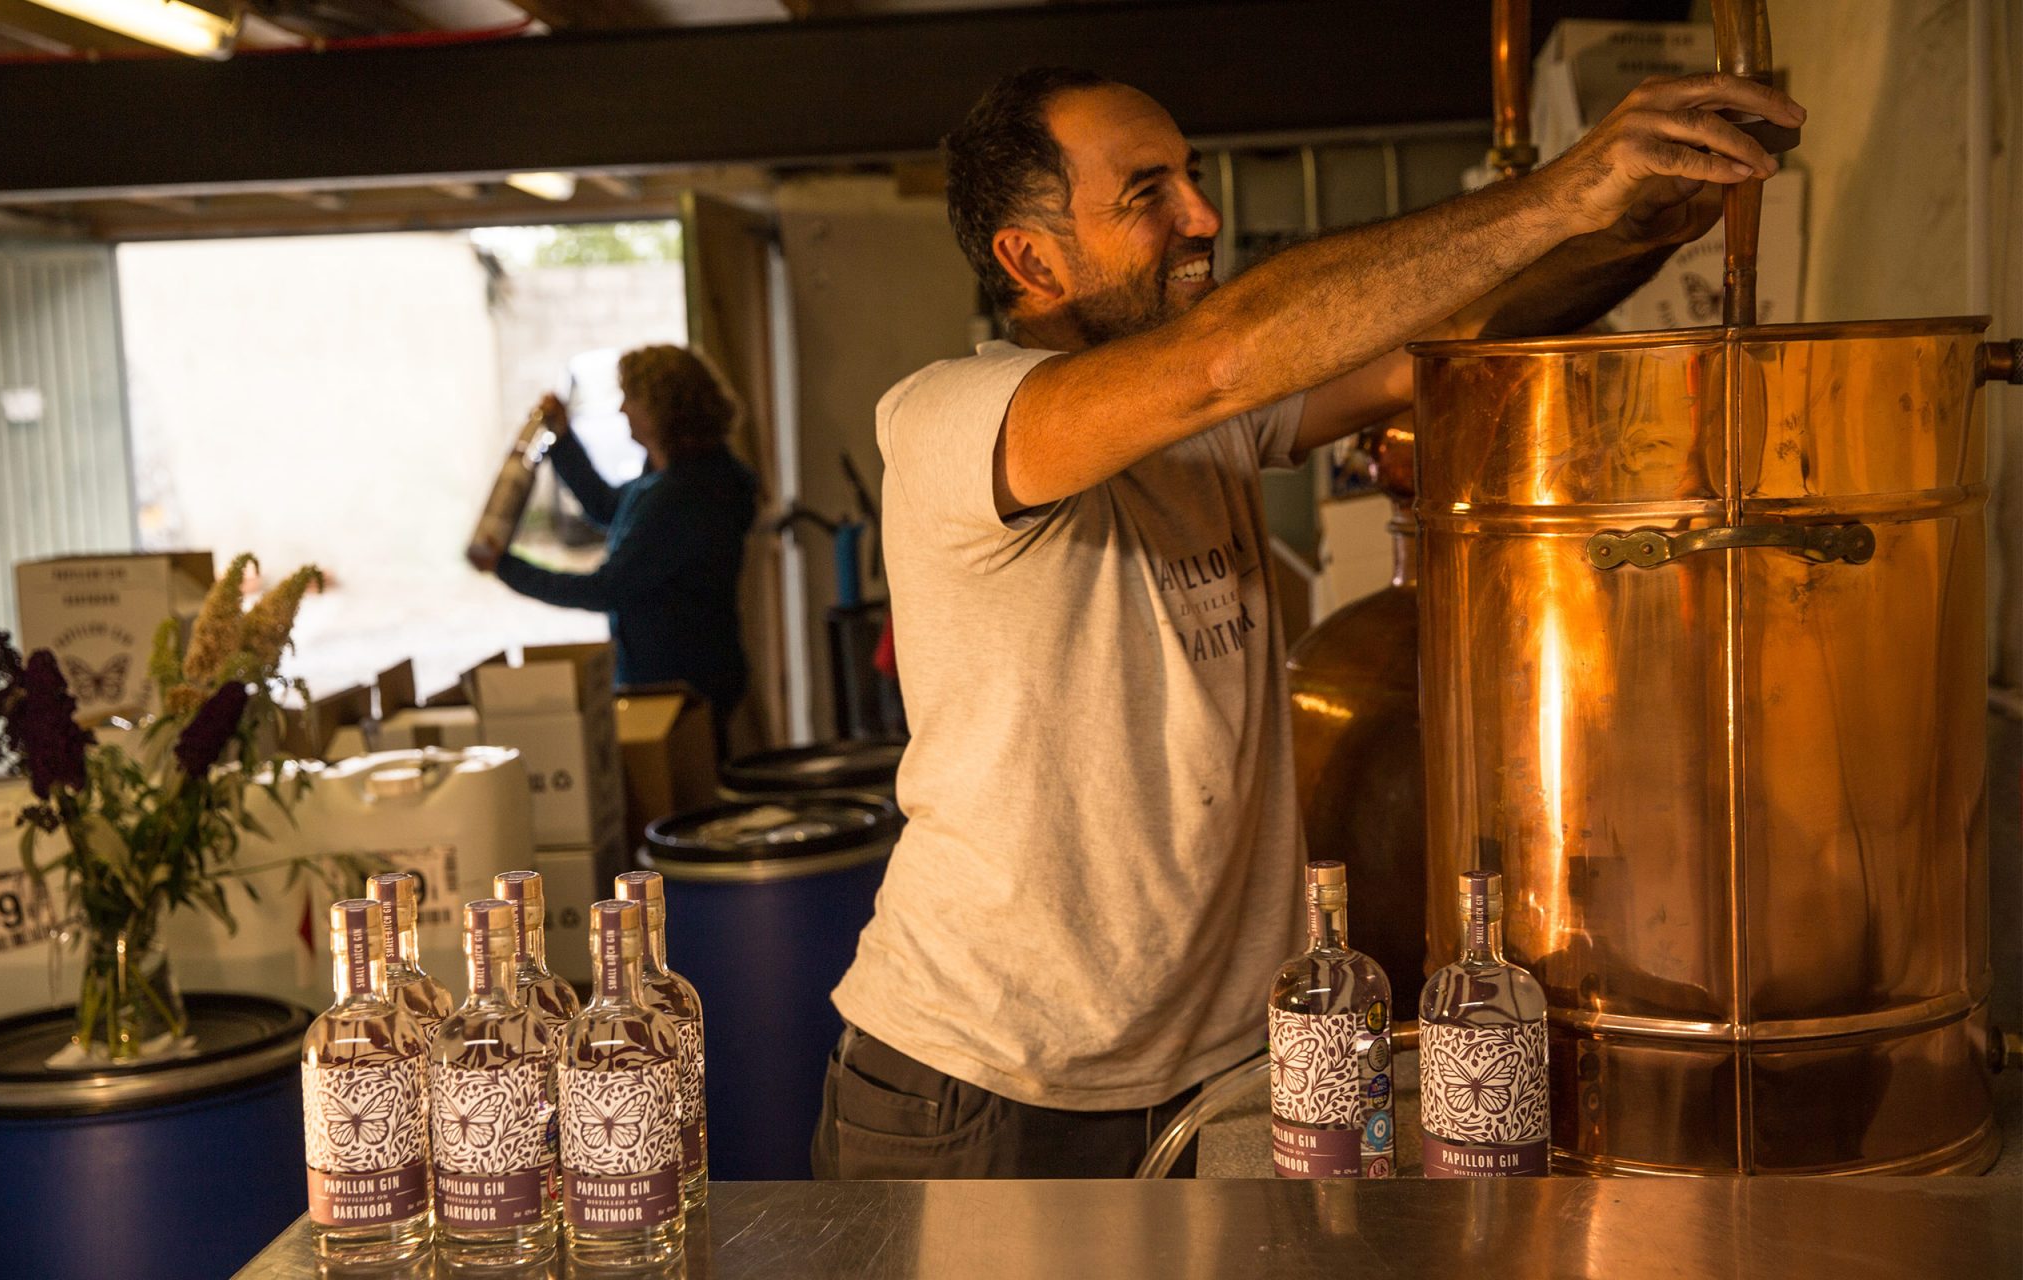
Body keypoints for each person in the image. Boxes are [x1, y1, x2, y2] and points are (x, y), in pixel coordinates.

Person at [813, 67, 1804, 1179]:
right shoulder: (954, 414)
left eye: (1190, 177)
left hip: (1221, 1063)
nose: (1201, 213)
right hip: (985, 1079)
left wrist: (1638, 230)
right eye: (1148, 192)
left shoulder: (1216, 426)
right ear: (1029, 260)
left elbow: (1430, 346)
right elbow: (1221, 356)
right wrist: (1566, 188)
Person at [495, 344, 758, 745]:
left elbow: (606, 588)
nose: (621, 410)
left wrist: (508, 568)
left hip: (680, 686)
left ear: (661, 408)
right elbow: (608, 506)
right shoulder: (680, 476)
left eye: (630, 397)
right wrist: (562, 441)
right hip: (686, 677)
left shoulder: (684, 496)